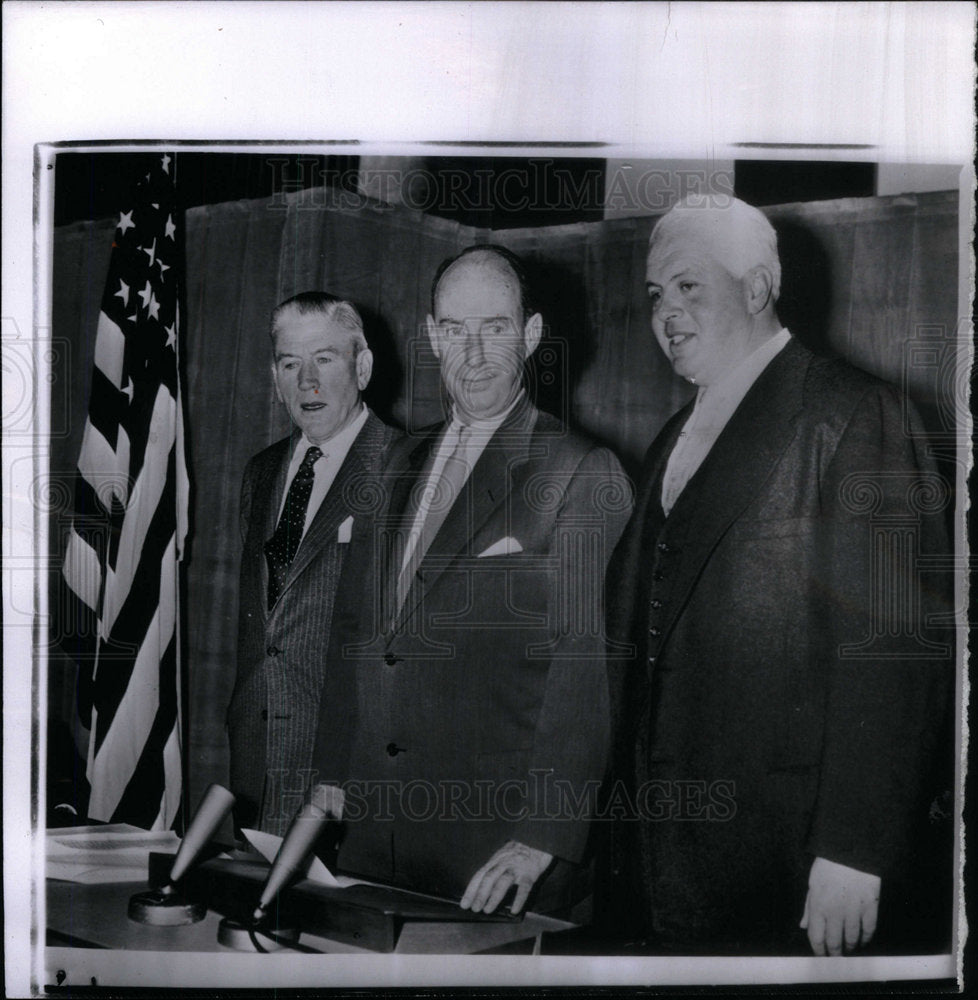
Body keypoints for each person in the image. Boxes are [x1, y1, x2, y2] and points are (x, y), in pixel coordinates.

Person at [603, 197, 952, 955]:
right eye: (656, 295)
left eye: (689, 286)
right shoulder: (674, 436)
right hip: (666, 860)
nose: (666, 312)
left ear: (757, 288)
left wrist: (855, 851)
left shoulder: (854, 414)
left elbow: (895, 648)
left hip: (788, 860)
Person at [312, 245, 632, 917]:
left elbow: (588, 671)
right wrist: (332, 773)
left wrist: (543, 838)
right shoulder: (391, 463)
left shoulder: (581, 472)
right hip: (373, 835)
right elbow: (356, 627)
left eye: (496, 327)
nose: (476, 352)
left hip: (495, 855)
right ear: (432, 337)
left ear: (532, 334)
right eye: (456, 329)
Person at [227, 292, 398, 837]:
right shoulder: (262, 472)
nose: (307, 382)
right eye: (290, 363)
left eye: (325, 359)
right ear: (274, 377)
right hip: (256, 764)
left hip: (347, 776)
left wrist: (346, 771)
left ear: (363, 367)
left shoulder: (407, 470)